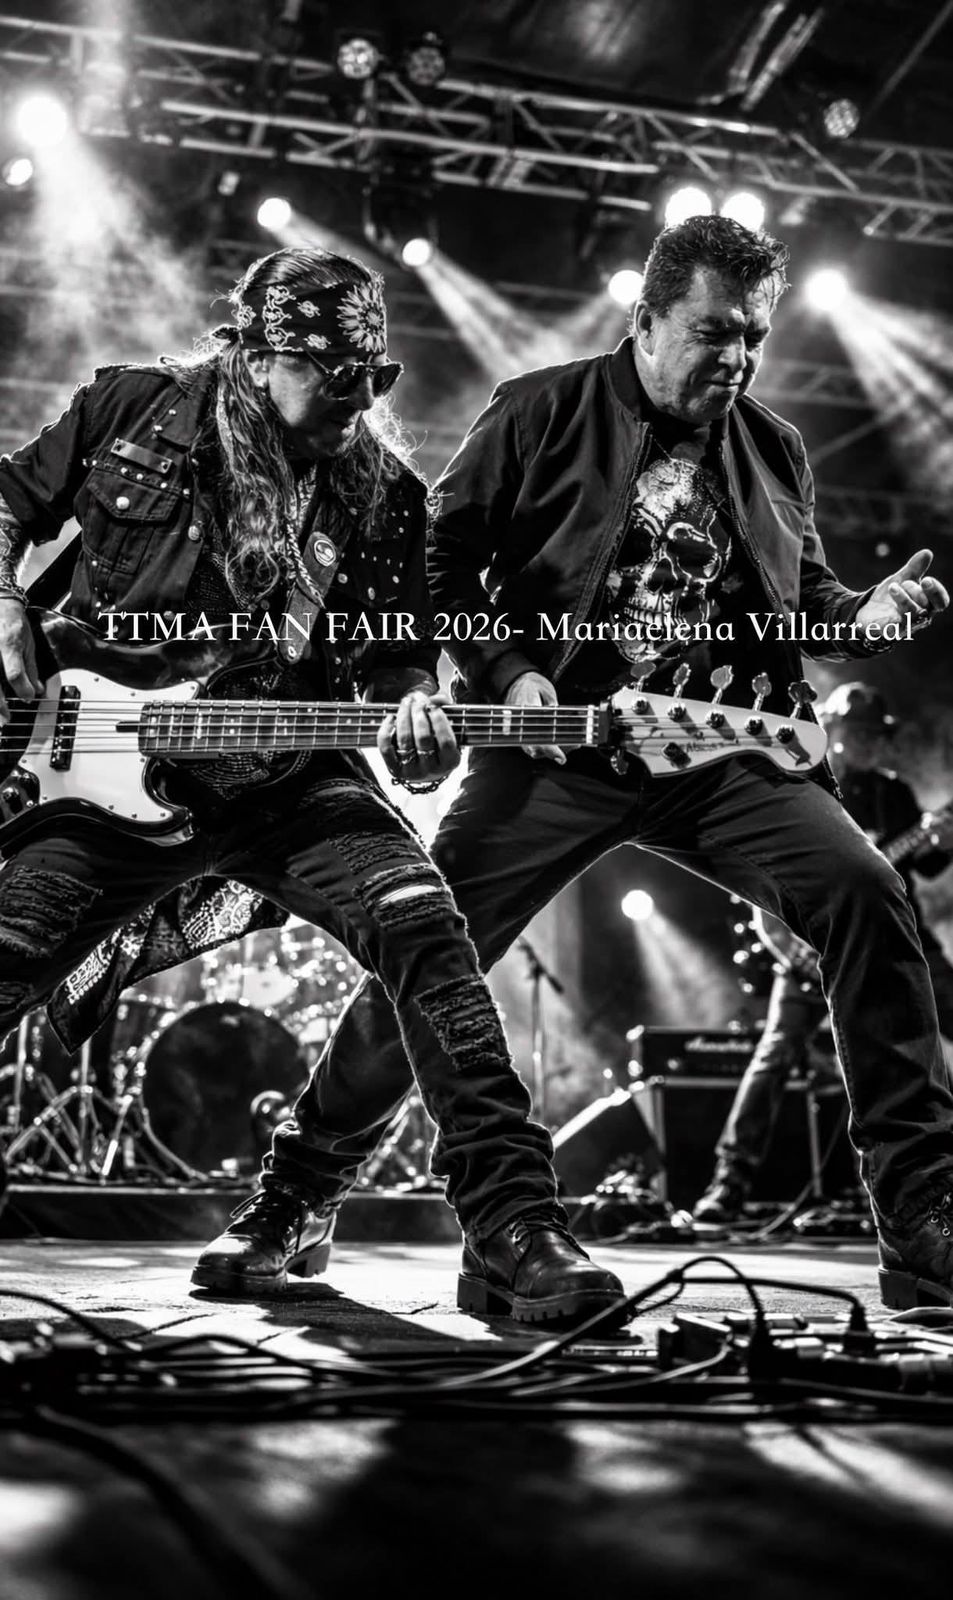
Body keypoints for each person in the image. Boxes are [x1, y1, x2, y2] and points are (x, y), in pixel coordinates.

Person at [215, 214, 953, 1315]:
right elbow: (438, 556)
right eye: (712, 332)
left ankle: (920, 1218)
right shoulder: (538, 408)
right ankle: (297, 1194)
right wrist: (507, 668)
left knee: (866, 893)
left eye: (752, 336)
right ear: (645, 320)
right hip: (556, 750)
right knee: (430, 951)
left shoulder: (773, 448)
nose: (736, 357)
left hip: (723, 753)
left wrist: (867, 616)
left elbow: (802, 604)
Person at [0, 244, 626, 1328]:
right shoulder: (134, 408)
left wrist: (413, 708)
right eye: (335, 373)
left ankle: (515, 1221)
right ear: (257, 353)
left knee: (425, 927)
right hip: (98, 770)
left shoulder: (381, 492)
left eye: (374, 376)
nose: (359, 398)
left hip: (293, 776)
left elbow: (394, 660)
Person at [694, 680, 953, 1225]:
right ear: (833, 732)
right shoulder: (807, 785)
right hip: (814, 938)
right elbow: (761, 873)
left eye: (875, 734)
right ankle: (728, 1184)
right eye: (859, 732)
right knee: (776, 1054)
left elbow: (925, 866)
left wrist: (939, 842)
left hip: (893, 936)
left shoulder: (894, 793)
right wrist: (785, 944)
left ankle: (925, 1187)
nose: (869, 743)